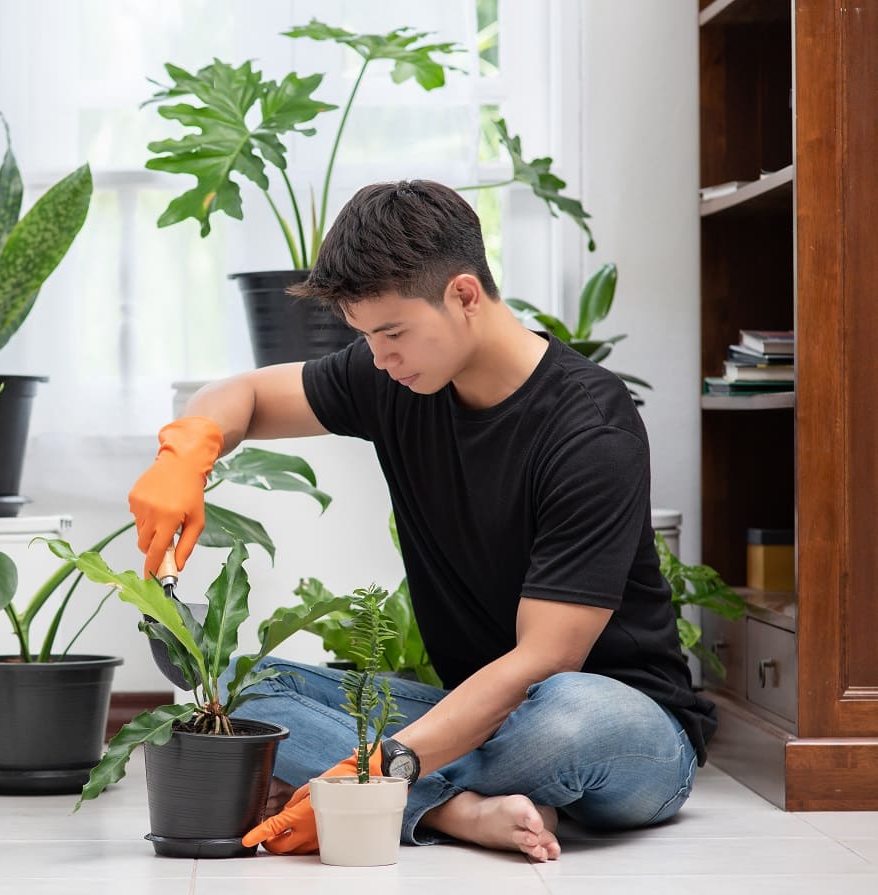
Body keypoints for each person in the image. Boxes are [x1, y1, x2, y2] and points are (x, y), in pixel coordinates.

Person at [126, 180, 714, 862]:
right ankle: (460, 811)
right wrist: (187, 450)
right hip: (471, 710)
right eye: (366, 336)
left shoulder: (589, 428)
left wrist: (376, 770)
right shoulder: (396, 376)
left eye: (393, 332)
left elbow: (544, 659)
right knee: (235, 684)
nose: (378, 357)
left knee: (563, 713)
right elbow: (248, 395)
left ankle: (394, 794)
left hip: (624, 731)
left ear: (464, 295)